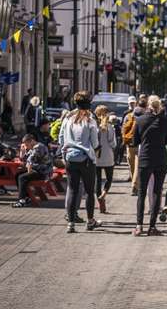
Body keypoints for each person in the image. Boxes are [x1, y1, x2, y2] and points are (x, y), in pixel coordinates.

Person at [59, 91, 101, 234]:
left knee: (72, 189)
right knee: (89, 191)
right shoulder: (90, 120)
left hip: (70, 158)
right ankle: (90, 221)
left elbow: (61, 138)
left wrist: (64, 153)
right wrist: (95, 149)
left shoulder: (67, 119)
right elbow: (95, 142)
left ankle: (70, 222)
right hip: (86, 159)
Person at [132, 95, 167, 236]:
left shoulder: (140, 120)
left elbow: (134, 141)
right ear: (159, 106)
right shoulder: (165, 121)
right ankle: (152, 226)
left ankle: (139, 226)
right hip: (160, 158)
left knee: (142, 193)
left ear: (148, 106)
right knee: (157, 192)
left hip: (145, 158)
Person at [11, 134, 53, 208]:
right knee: (18, 175)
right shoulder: (32, 148)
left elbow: (30, 161)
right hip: (37, 169)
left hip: (43, 172)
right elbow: (24, 159)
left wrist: (28, 169)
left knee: (22, 177)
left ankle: (21, 200)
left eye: (27, 144)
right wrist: (22, 151)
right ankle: (26, 197)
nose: (26, 146)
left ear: (32, 141)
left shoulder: (39, 147)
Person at [94, 105, 116, 214]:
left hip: (96, 155)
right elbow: (113, 142)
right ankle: (103, 194)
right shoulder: (109, 126)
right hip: (108, 155)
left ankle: (99, 200)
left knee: (97, 179)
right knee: (109, 178)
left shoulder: (94, 126)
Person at [123, 95, 147, 195]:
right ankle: (135, 185)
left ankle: (135, 184)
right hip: (140, 144)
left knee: (132, 166)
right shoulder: (144, 117)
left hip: (129, 144)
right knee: (137, 166)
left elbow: (123, 129)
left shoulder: (128, 116)